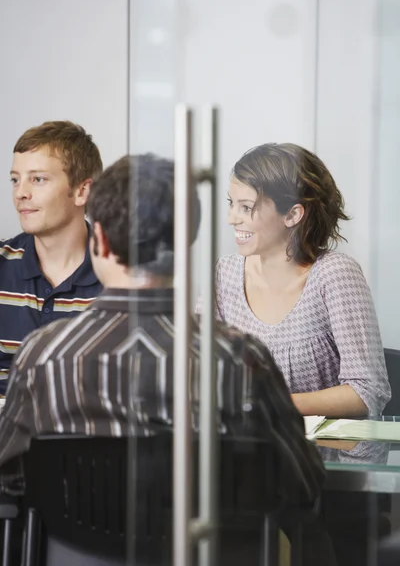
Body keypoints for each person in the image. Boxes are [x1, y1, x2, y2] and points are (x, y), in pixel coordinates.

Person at [0, 154, 331, 565]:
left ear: (97, 240)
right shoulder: (239, 360)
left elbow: (9, 482)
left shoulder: (43, 357)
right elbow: (301, 482)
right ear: (186, 244)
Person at [206, 142, 390, 417]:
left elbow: (367, 392)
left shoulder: (335, 275)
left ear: (292, 214)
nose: (232, 218)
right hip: (248, 452)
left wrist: (271, 404)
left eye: (246, 207)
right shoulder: (223, 275)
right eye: (232, 204)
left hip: (326, 457)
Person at [0, 121, 103, 392]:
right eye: (15, 179)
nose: (20, 193)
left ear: (82, 191)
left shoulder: (121, 275)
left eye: (38, 179)